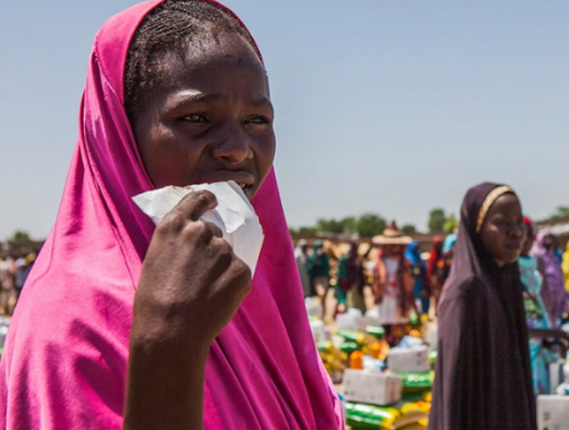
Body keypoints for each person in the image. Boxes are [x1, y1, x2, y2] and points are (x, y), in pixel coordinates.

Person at [0, 1, 343, 428]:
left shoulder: (243, 281)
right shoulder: (68, 323)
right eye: (197, 117)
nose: (237, 148)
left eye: (257, 119)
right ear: (121, 133)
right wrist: (168, 345)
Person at [429, 183, 536, 430]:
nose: (516, 232)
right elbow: (453, 392)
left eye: (518, 221)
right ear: (477, 230)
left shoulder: (505, 281)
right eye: (502, 223)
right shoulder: (465, 293)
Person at [519, 217, 569, 395]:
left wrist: (550, 336)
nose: (523, 241)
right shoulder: (508, 274)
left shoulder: (531, 268)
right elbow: (517, 328)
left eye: (528, 235)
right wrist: (553, 334)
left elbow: (538, 304)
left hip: (538, 341)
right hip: (521, 350)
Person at [371, 222, 415, 345]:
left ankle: (399, 344)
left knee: (400, 321)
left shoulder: (404, 262)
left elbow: (408, 282)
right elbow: (376, 280)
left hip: (400, 297)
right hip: (385, 297)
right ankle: (387, 344)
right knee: (386, 322)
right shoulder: (380, 262)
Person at [533, 231, 569, 327]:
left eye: (550, 238)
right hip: (546, 291)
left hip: (557, 290)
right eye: (545, 238)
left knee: (556, 315)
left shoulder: (555, 255)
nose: (548, 240)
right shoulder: (537, 255)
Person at [338, 241, 366, 314]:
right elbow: (342, 274)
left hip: (357, 286)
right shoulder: (346, 260)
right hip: (350, 286)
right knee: (351, 304)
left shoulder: (357, 259)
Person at [405, 240, 430, 316]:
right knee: (415, 298)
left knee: (424, 296)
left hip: (421, 280)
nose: (417, 248)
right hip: (413, 281)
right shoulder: (408, 256)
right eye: (415, 247)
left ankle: (424, 314)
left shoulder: (418, 256)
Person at [308, 240, 331, 317]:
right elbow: (310, 268)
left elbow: (327, 267)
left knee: (324, 298)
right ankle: (318, 313)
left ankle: (323, 315)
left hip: (324, 278)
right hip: (317, 279)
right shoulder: (313, 256)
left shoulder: (324, 257)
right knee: (321, 294)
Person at [426, 236, 445, 308]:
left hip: (441, 278)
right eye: (438, 244)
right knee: (437, 295)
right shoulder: (433, 255)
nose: (440, 246)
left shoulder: (441, 255)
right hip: (435, 278)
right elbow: (430, 269)